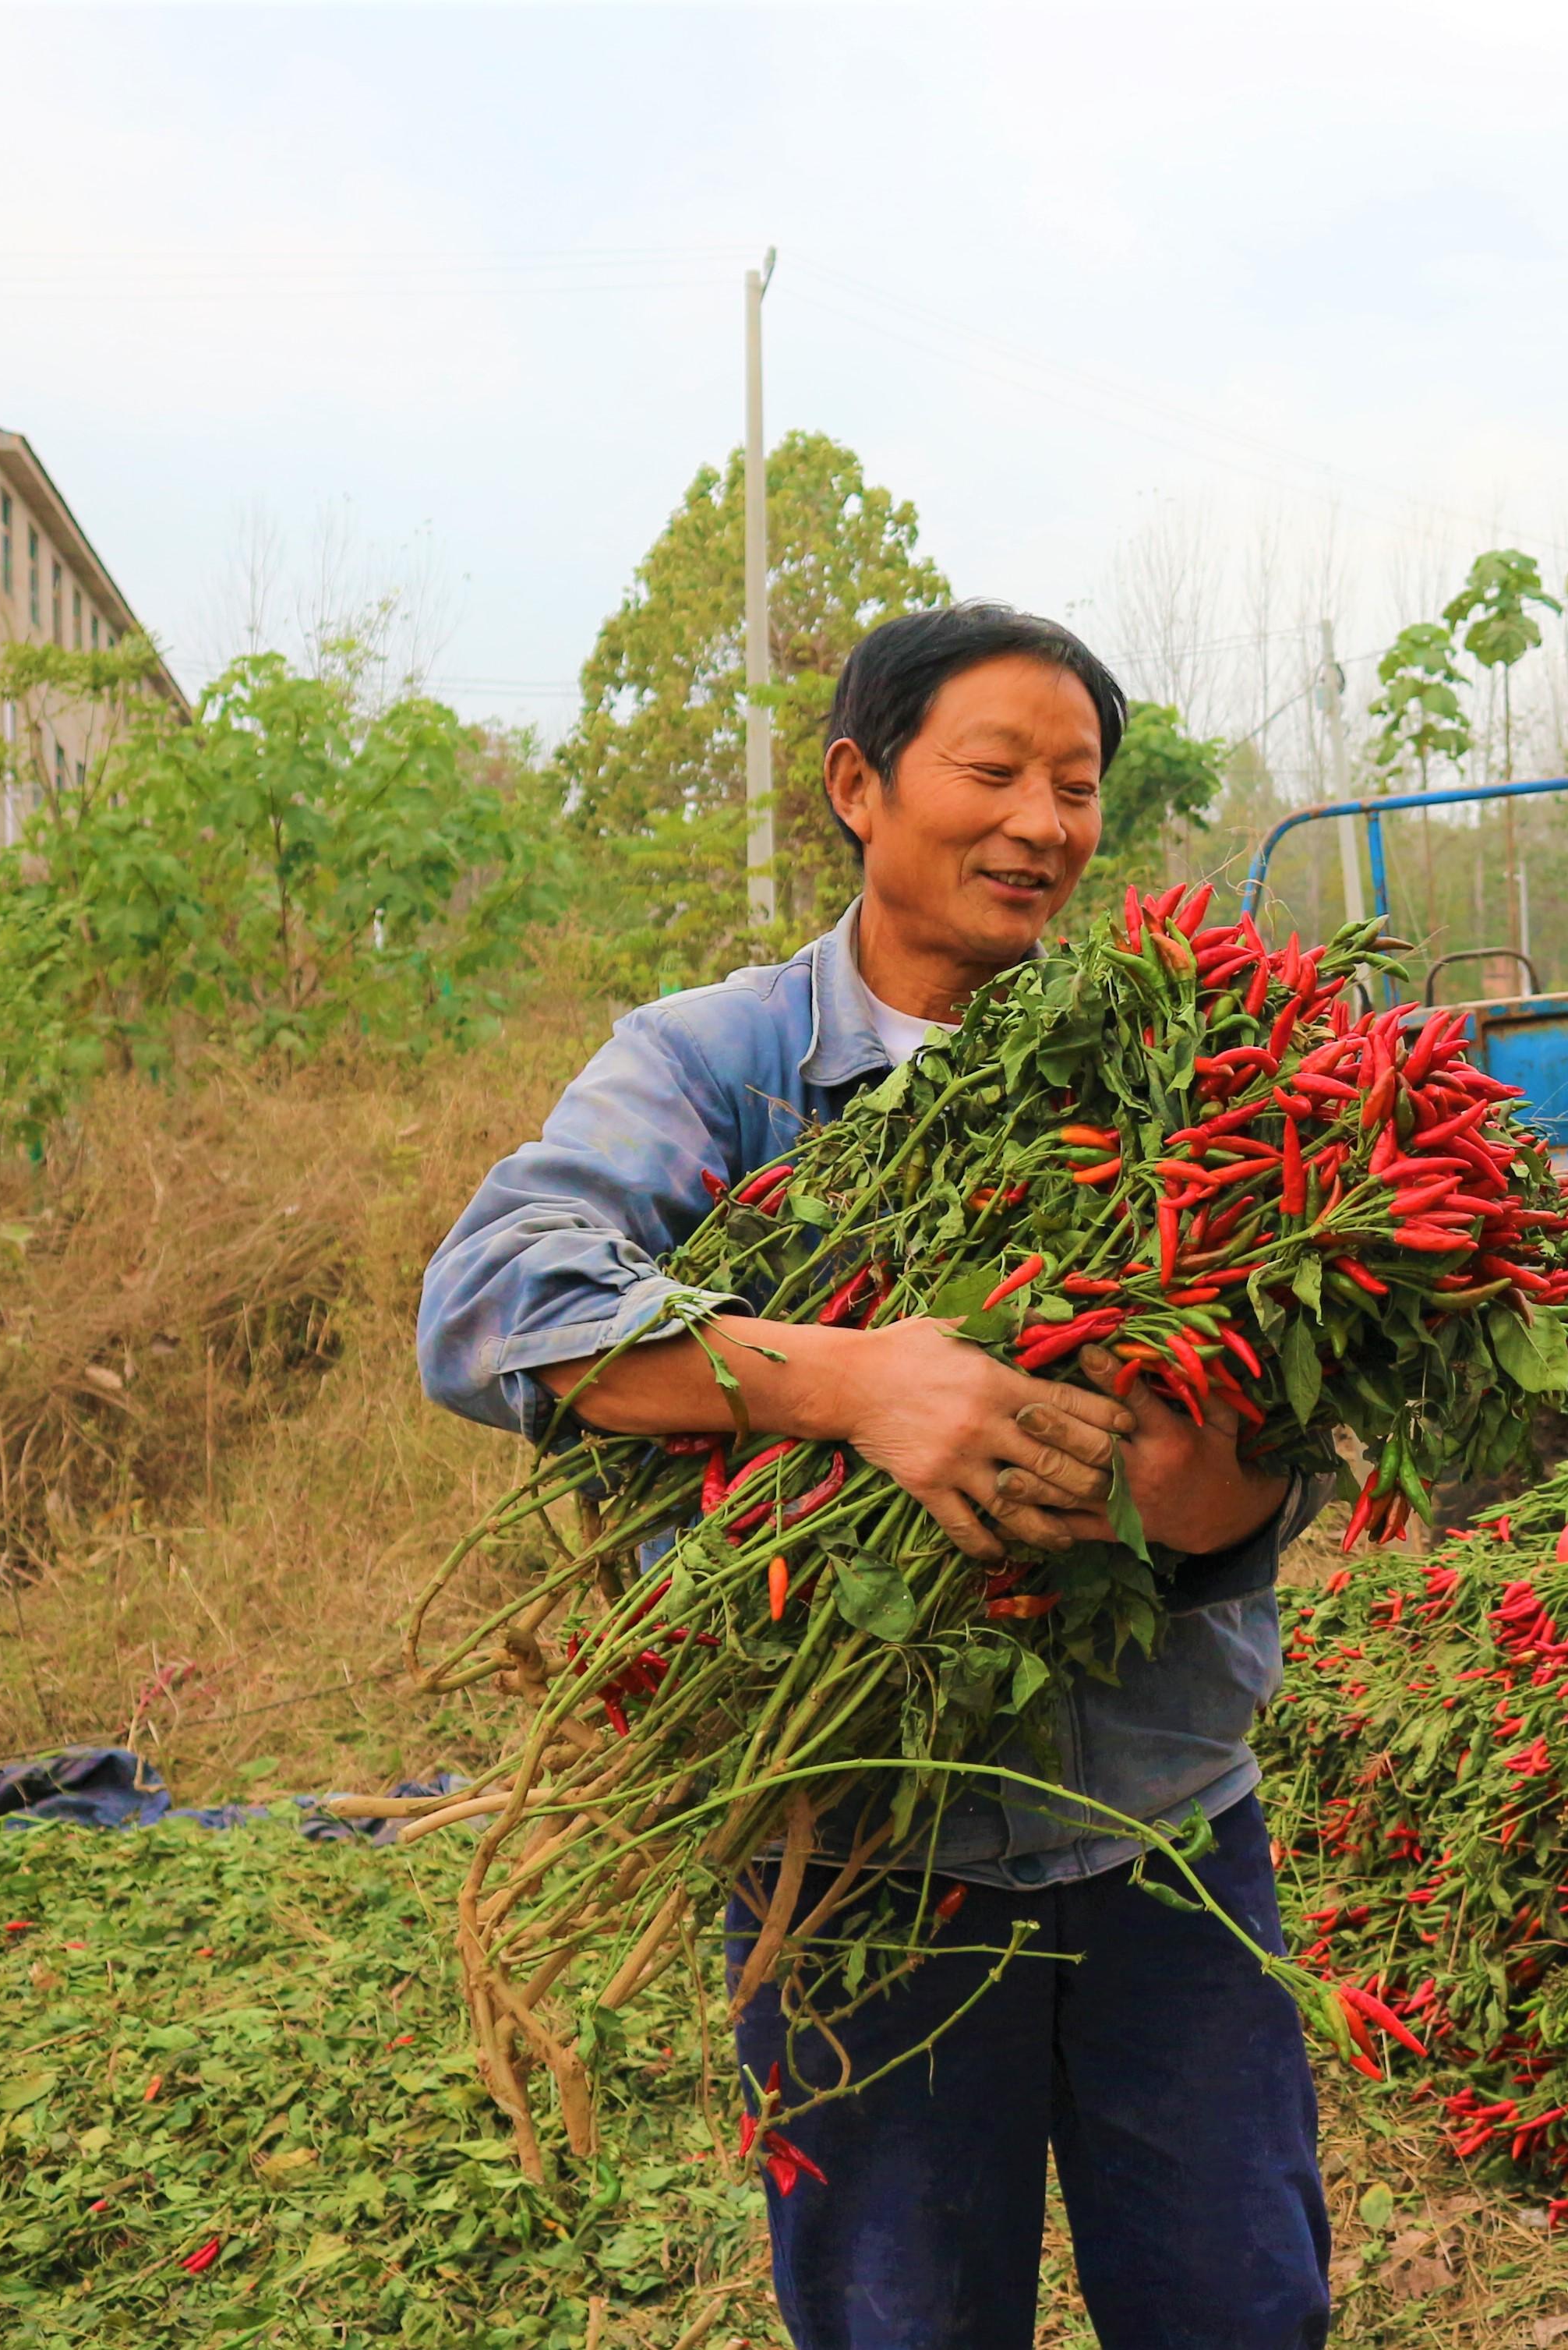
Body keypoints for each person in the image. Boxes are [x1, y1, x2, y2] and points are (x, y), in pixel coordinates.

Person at [418, 604, 1333, 2349]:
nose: (1042, 822)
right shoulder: (723, 1064)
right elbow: (488, 1303)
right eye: (992, 770)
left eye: (1075, 785)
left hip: (1164, 1817)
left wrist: (1227, 1495)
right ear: (859, 782)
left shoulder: (1184, 1065)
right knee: (903, 2321)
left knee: (1241, 2302)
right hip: (856, 1855)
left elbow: (1299, 1403)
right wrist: (851, 1381)